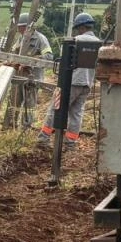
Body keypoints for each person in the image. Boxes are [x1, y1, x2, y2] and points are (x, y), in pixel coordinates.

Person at [38, 12, 100, 151]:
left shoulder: (74, 41)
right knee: (76, 114)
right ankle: (70, 144)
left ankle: (43, 138)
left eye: (77, 28)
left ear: (81, 27)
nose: (77, 30)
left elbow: (64, 62)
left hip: (70, 82)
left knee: (55, 109)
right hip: (87, 84)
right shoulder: (98, 44)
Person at [9, 13, 53, 129]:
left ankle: (26, 127)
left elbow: (49, 57)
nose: (19, 30)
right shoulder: (21, 39)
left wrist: (30, 61)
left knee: (29, 104)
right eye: (19, 27)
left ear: (28, 27)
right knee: (15, 101)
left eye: (21, 27)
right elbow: (13, 54)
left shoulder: (41, 39)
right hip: (19, 76)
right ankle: (11, 125)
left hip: (33, 78)